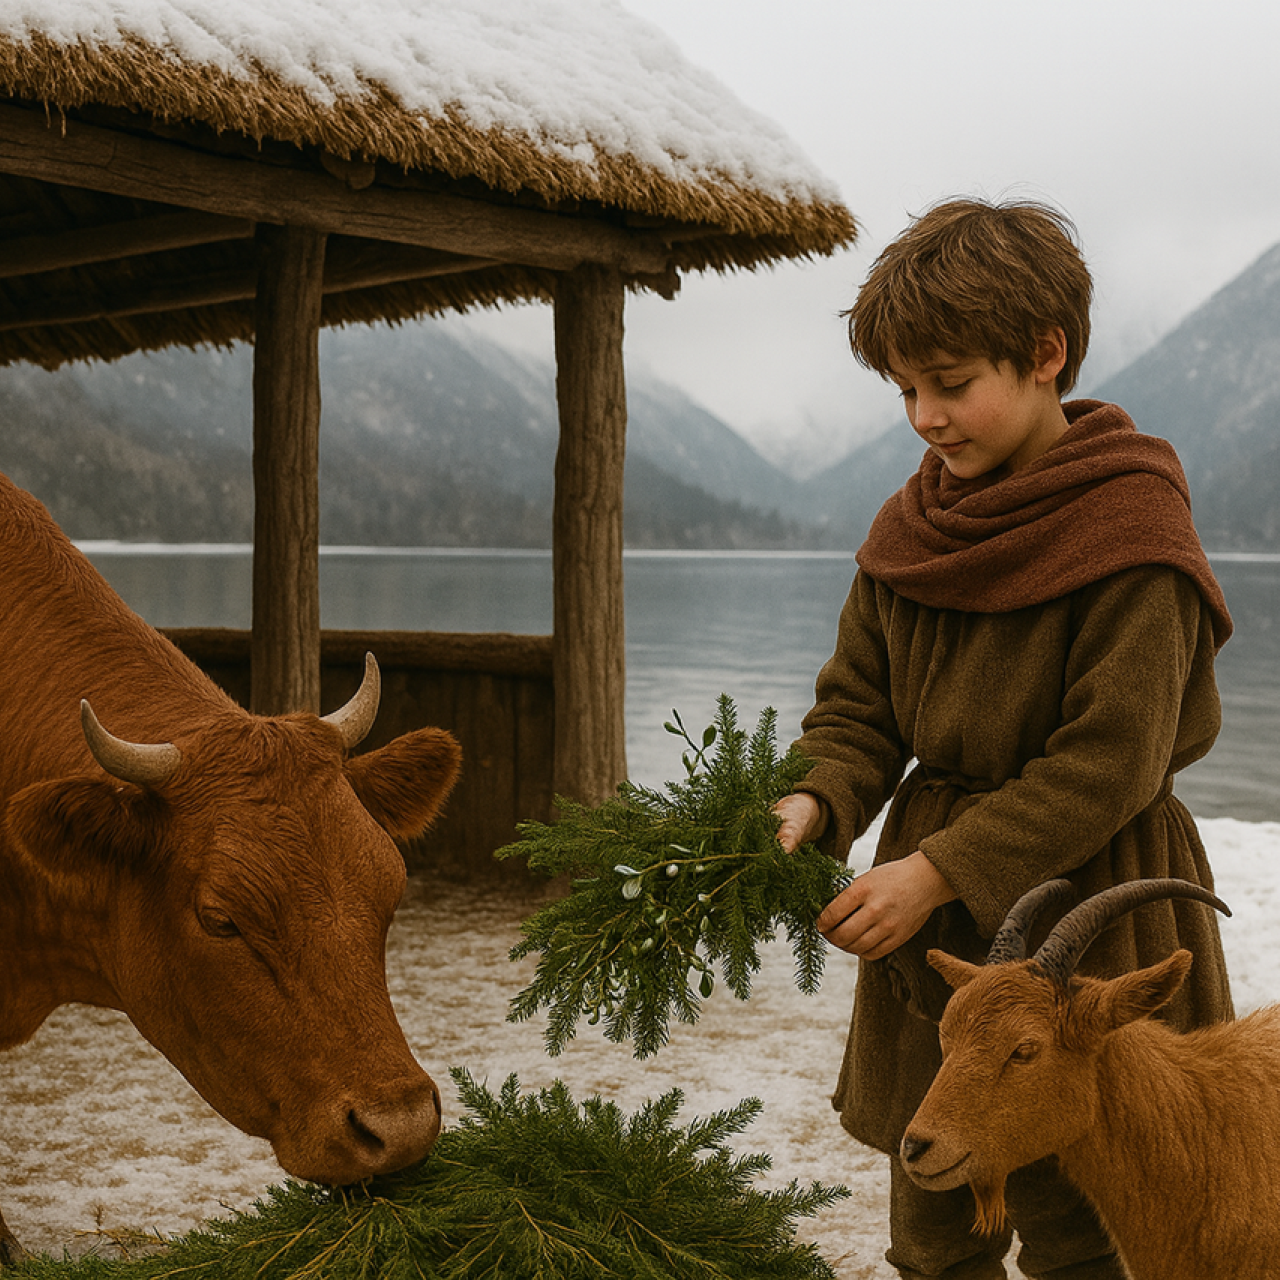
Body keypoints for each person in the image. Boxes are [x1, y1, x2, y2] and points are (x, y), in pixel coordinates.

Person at [772, 197, 1235, 1280]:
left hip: (1095, 886)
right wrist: (817, 798)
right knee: (933, 1212)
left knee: (1097, 1219)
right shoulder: (908, 531)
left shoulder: (1131, 533)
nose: (924, 415)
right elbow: (855, 710)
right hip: (930, 895)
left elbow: (1108, 762)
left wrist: (934, 871)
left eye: (948, 382)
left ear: (1043, 354)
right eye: (902, 390)